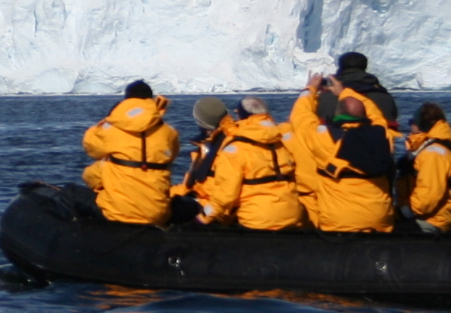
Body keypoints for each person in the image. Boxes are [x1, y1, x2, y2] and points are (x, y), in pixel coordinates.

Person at [289, 74, 398, 232]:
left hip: (338, 220)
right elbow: (377, 116)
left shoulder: (323, 138)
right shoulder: (382, 136)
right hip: (379, 218)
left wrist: (310, 89)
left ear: (337, 115)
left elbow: (300, 116)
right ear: (363, 115)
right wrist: (346, 92)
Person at [196, 95, 304, 229]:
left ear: (241, 116)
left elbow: (225, 197)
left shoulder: (235, 149)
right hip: (293, 215)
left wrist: (202, 217)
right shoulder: (282, 141)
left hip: (257, 221)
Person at [82, 81, 181, 224]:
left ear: (126, 99)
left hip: (117, 212)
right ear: (150, 99)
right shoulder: (169, 132)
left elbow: (90, 148)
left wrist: (110, 118)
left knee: (74, 191)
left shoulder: (111, 129)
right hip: (157, 214)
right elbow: (171, 156)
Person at [397, 101, 451, 230]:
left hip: (431, 220)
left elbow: (429, 196)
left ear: (422, 125)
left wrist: (405, 212)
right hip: (421, 215)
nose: (410, 126)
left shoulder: (433, 154)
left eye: (412, 122)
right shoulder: (426, 150)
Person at [334, 51, 399, 127]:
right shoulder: (384, 97)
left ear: (340, 67)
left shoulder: (327, 96)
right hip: (378, 137)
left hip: (337, 137)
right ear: (365, 66)